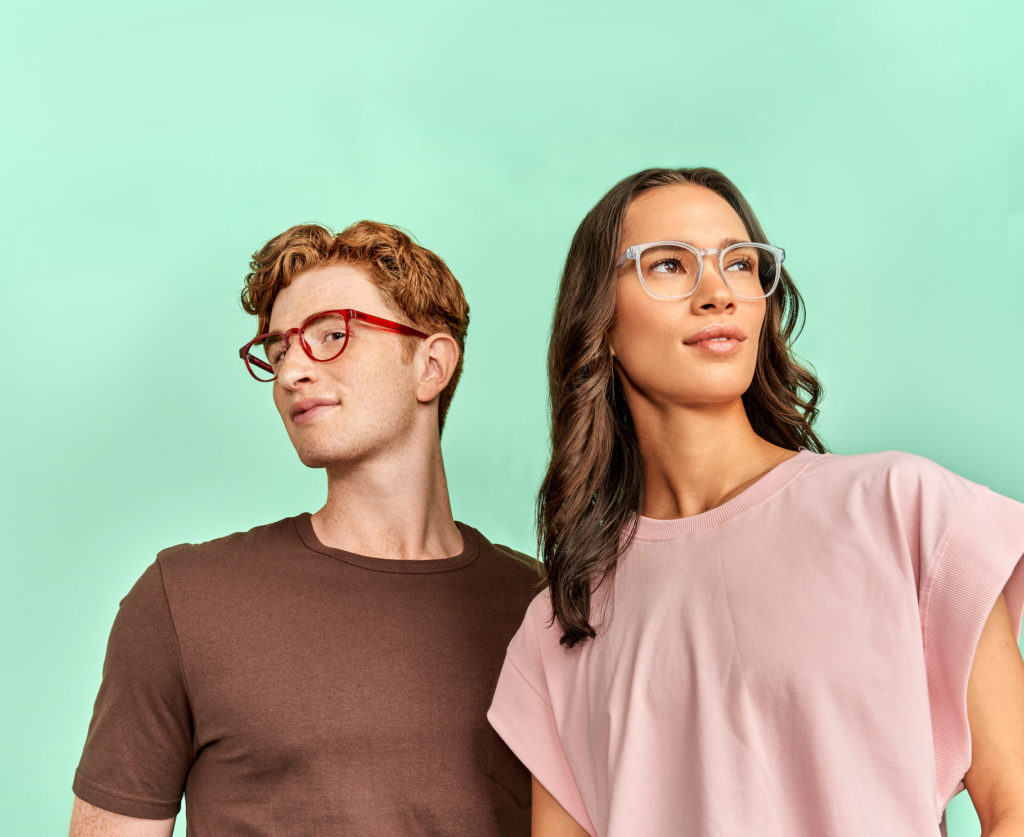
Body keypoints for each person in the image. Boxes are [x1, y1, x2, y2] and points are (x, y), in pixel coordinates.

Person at [486, 168, 1024, 836]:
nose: (718, 293)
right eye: (669, 264)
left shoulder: (903, 510)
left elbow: (1017, 803)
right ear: (603, 324)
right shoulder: (560, 624)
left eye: (740, 263)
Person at [71, 221, 536, 836]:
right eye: (279, 349)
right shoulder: (182, 600)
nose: (292, 372)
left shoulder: (545, 608)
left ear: (431, 364)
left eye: (332, 335)